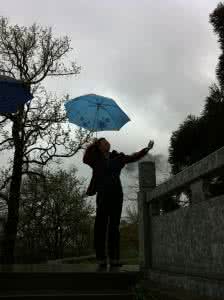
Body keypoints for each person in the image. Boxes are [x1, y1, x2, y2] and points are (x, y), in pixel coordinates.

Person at [83, 137, 154, 270]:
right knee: (100, 226)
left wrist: (146, 150)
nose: (107, 144)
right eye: (104, 143)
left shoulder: (117, 157)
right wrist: (92, 146)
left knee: (114, 227)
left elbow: (132, 157)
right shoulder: (95, 159)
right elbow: (85, 159)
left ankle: (115, 259)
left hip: (116, 194)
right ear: (99, 146)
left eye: (107, 142)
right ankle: (101, 259)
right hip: (102, 195)